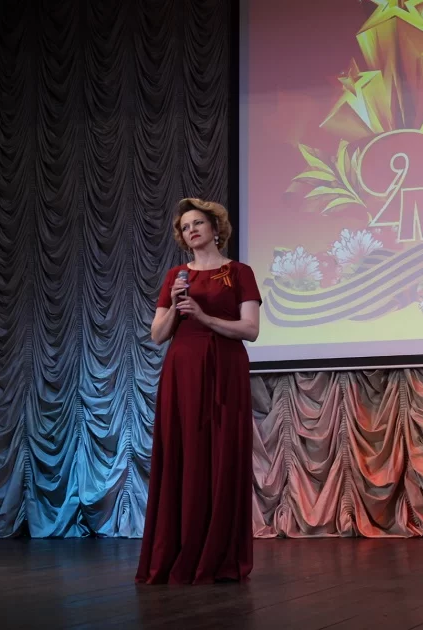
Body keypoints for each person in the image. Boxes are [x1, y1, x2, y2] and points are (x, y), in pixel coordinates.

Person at [135, 198, 261, 585]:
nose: (191, 230)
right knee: (184, 453)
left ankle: (220, 555)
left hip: (225, 369)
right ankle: (179, 549)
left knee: (222, 455)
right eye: (185, 226)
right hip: (183, 371)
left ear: (216, 228)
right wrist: (175, 305)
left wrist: (205, 317)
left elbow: (251, 330)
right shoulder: (176, 276)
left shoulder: (239, 272)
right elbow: (157, 335)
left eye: (198, 223)